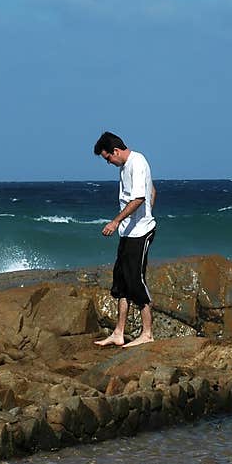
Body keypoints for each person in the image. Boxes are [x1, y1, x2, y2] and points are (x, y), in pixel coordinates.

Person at [92, 131, 157, 348]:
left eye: (108, 158)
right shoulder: (124, 167)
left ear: (116, 151)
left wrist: (115, 221)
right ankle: (119, 332)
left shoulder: (137, 162)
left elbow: (139, 197)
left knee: (136, 281)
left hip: (140, 233)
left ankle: (147, 333)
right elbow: (152, 190)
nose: (108, 162)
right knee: (121, 282)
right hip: (129, 232)